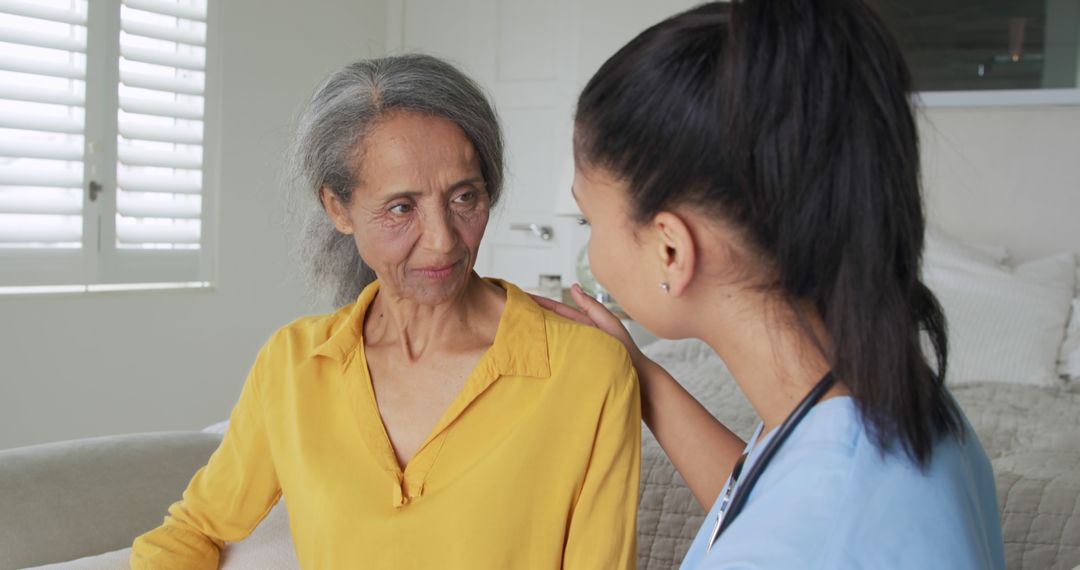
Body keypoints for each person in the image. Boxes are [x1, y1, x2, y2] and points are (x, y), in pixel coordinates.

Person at [534, 1, 1006, 568]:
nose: (592, 250)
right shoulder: (892, 402)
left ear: (670, 249)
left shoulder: (819, 524)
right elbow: (769, 499)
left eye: (591, 222)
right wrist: (639, 372)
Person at [131, 54, 640, 569]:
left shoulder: (587, 370)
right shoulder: (292, 365)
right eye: (402, 208)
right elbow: (193, 529)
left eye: (465, 197)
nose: (443, 242)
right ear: (338, 209)